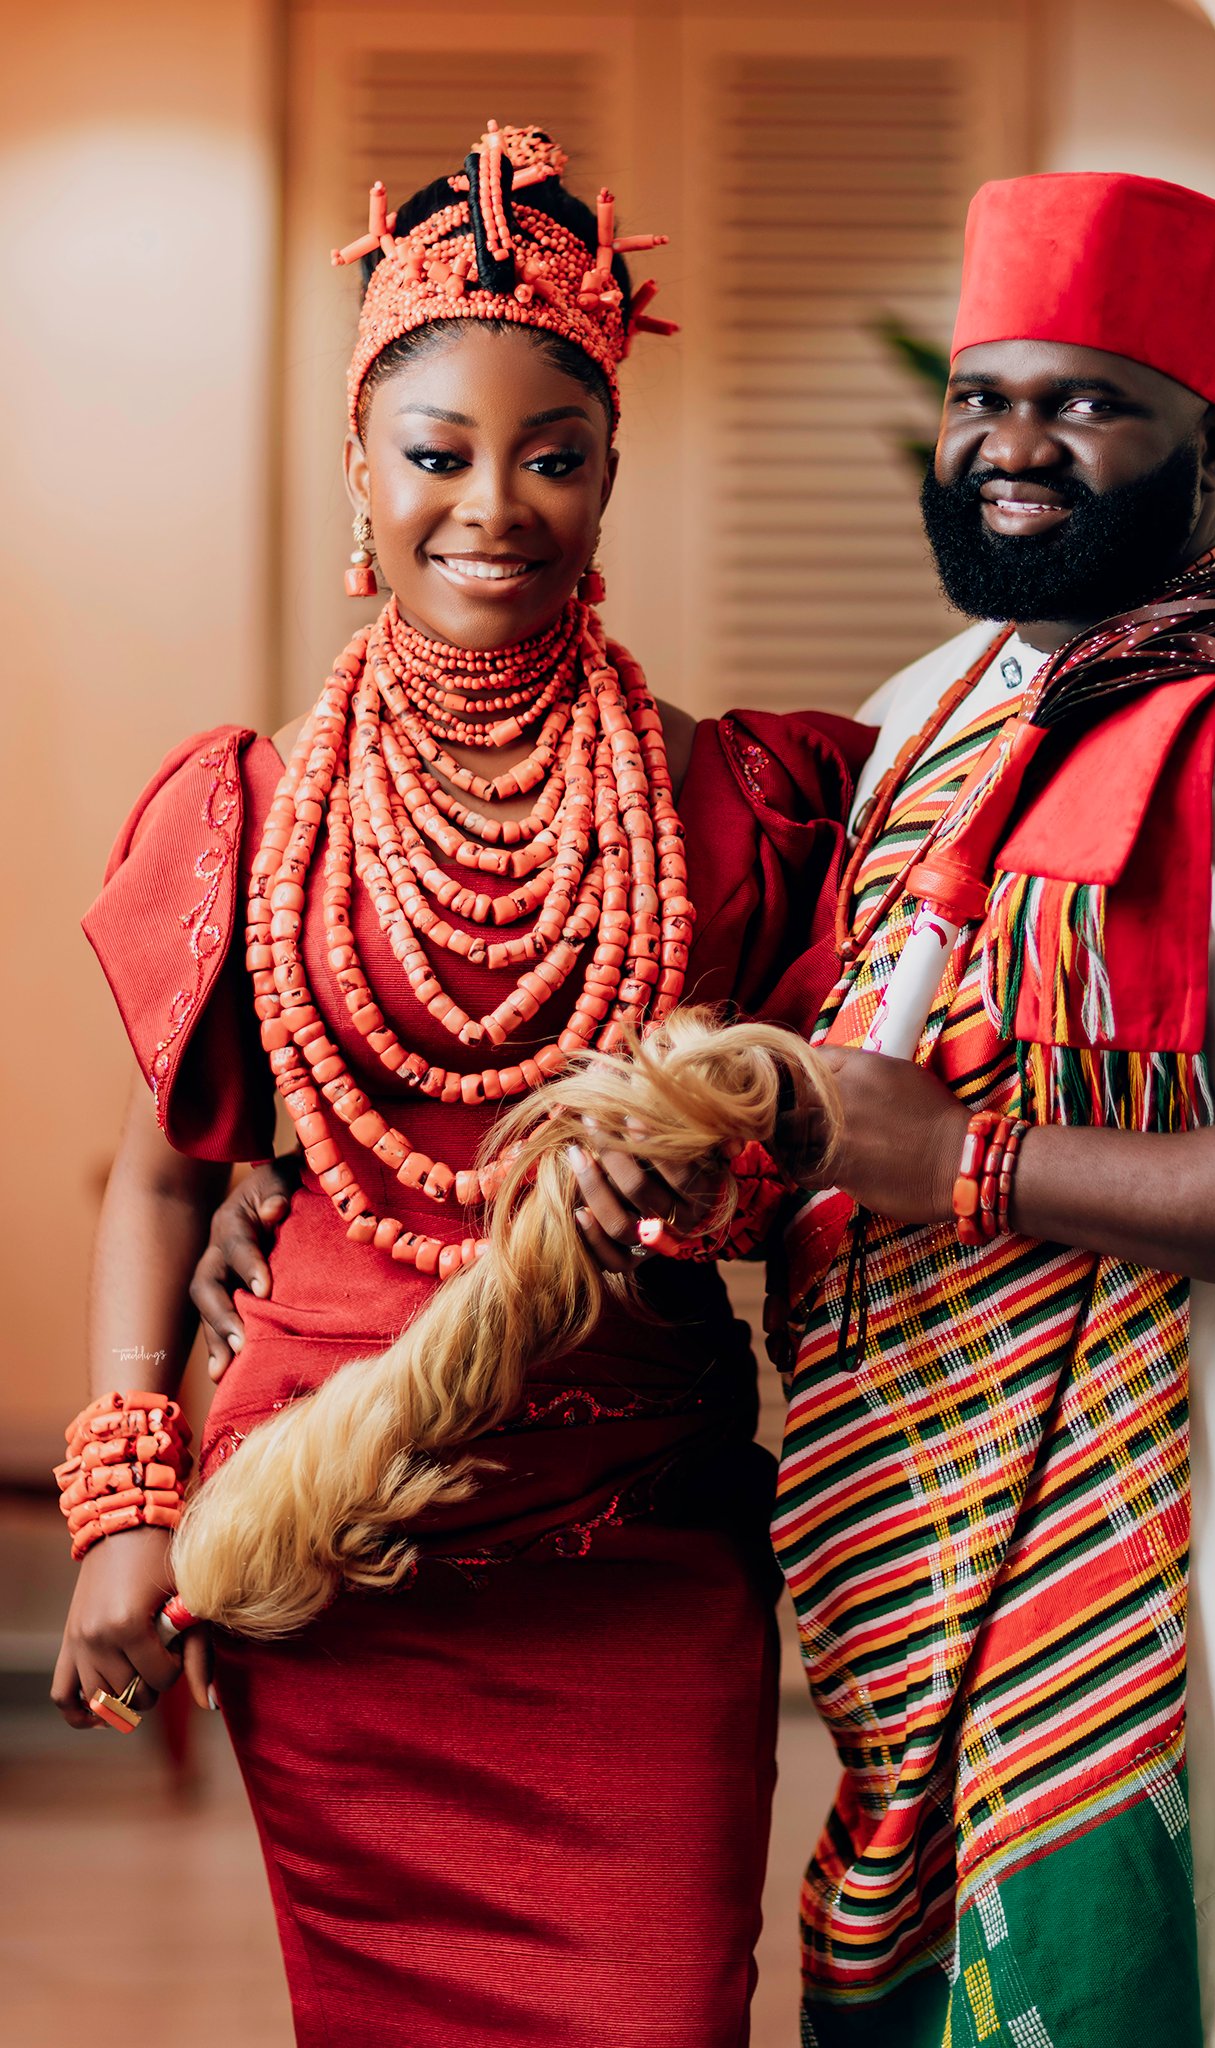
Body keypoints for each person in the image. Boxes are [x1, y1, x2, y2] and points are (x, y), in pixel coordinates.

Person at [198, 172, 1215, 2045]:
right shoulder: (928, 712)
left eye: (1087, 404)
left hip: (1135, 1559)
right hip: (904, 1558)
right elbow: (822, 1105)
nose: (1015, 446)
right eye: (981, 398)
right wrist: (365, 1185)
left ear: (1209, 447)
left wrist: (959, 1163)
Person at [55, 123, 869, 2048]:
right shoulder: (251, 809)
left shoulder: (734, 804)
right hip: (330, 1557)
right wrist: (124, 1514)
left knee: (662, 2011)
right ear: (360, 466)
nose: (491, 506)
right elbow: (165, 1181)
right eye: (436, 454)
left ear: (609, 474)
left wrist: (723, 1184)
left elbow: (831, 1161)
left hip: (633, 1543)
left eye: (551, 456)